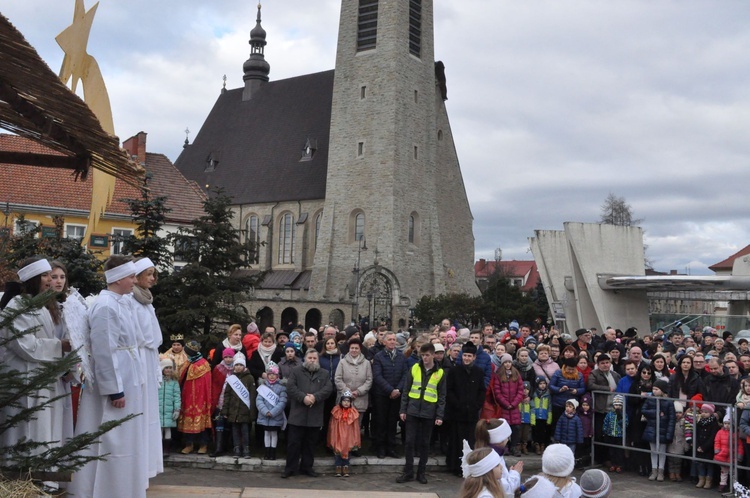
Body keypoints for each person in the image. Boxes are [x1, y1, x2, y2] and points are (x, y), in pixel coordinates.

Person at [68, 256, 147, 498]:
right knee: (110, 437)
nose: (135, 281)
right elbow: (103, 351)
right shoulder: (105, 306)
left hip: (128, 373)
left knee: (124, 438)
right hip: (115, 380)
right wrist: (115, 390)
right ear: (119, 278)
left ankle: (122, 488)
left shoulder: (121, 303)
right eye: (132, 276)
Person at [1, 257, 71, 492]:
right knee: (24, 431)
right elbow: (25, 345)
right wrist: (59, 346)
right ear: (32, 279)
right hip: (24, 380)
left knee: (43, 431)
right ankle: (20, 482)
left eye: (51, 275)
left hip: (41, 379)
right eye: (45, 276)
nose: (51, 280)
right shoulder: (17, 305)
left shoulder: (41, 305)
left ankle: (42, 481)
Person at [130, 257, 164, 479]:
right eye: (149, 274)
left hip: (149, 357)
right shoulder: (131, 301)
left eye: (154, 274)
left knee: (149, 414)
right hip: (139, 357)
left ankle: (147, 467)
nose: (152, 278)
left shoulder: (146, 301)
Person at [397, 342, 446, 485]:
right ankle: (408, 472)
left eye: (427, 355)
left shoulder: (440, 372)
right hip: (412, 410)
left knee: (425, 443)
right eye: (423, 355)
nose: (425, 358)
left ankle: (421, 472)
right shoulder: (414, 368)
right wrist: (403, 410)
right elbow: (406, 391)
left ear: (433, 355)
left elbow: (442, 396)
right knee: (409, 442)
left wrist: (439, 415)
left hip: (428, 412)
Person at [282, 348, 333, 478]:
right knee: (294, 443)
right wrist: (303, 398)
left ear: (318, 360)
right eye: (310, 358)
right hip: (297, 414)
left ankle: (307, 467)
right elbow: (290, 387)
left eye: (314, 358)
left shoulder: (324, 373)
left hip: (315, 414)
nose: (312, 360)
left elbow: (328, 388)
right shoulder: (296, 371)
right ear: (305, 359)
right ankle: (290, 468)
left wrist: (315, 397)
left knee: (310, 444)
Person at [445, 341, 487, 475]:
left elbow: (482, 391)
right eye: (465, 355)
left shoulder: (478, 372)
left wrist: (476, 405)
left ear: (474, 357)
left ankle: (468, 466)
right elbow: (449, 390)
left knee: (470, 441)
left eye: (470, 356)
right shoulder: (454, 371)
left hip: (472, 414)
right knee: (456, 441)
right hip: (457, 413)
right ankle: (455, 467)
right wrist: (457, 404)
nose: (467, 358)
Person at [371, 331, 408, 459]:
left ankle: (391, 447)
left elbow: (405, 375)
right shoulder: (379, 356)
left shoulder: (401, 356)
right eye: (390, 339)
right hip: (382, 395)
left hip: (396, 395)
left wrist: (398, 389)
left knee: (392, 422)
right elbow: (377, 376)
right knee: (381, 422)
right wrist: (389, 390)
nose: (392, 341)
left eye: (394, 339)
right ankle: (380, 447)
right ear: (384, 342)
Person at [178, 340, 213, 454]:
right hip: (187, 397)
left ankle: (203, 445)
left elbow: (206, 384)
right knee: (187, 422)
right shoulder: (188, 362)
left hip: (200, 399)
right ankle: (189, 444)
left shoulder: (203, 364)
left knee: (201, 423)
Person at [220, 353, 257, 458]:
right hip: (233, 410)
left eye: (240, 365)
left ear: (244, 366)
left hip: (245, 411)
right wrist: (225, 410)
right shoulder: (231, 378)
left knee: (245, 432)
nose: (238, 367)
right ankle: (236, 449)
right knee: (235, 432)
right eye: (236, 365)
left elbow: (252, 396)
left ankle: (246, 449)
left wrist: (252, 412)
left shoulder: (250, 378)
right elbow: (227, 395)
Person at [474, 418, 522, 496]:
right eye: (507, 437)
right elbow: (506, 490)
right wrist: (515, 474)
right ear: (500, 440)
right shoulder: (493, 459)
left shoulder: (486, 453)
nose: (508, 440)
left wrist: (509, 474)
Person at [641, 378, 675, 482]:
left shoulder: (668, 402)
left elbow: (671, 419)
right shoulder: (650, 399)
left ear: (662, 390)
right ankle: (654, 470)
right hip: (652, 429)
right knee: (653, 451)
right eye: (653, 389)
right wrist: (657, 412)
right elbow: (644, 410)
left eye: (656, 389)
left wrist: (669, 434)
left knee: (662, 451)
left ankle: (661, 471)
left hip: (663, 430)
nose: (654, 391)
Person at [256, 361, 287, 460]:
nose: (272, 376)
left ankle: (273, 452)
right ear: (267, 375)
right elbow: (259, 400)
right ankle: (267, 452)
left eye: (274, 374)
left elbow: (282, 401)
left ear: (277, 375)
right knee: (266, 433)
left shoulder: (282, 387)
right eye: (270, 374)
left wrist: (273, 412)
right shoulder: (263, 387)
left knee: (274, 434)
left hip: (276, 415)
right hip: (264, 415)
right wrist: (265, 411)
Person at [327, 390, 360, 477]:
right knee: (338, 452)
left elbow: (355, 427)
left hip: (349, 436)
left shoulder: (353, 413)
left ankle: (346, 467)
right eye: (344, 401)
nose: (346, 403)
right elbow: (333, 426)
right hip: (338, 436)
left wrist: (354, 438)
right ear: (341, 401)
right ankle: (338, 468)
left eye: (348, 401)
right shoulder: (336, 411)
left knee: (348, 452)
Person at [210, 347, 236, 456]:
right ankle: (218, 447)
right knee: (219, 423)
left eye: (230, 357)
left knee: (228, 425)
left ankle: (227, 446)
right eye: (226, 357)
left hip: (231, 402)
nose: (228, 359)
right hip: (220, 400)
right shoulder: (218, 368)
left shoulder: (237, 369)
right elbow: (214, 385)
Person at [714, 411, 744, 493]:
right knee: (723, 472)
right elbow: (717, 442)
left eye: (729, 423)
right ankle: (722, 484)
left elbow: (740, 446)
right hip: (723, 455)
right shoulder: (720, 432)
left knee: (733, 473)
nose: (726, 425)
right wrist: (717, 451)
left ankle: (734, 485)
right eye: (725, 423)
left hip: (733, 456)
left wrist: (739, 456)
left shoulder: (736, 434)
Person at [158, 358, 181, 455]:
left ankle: (166, 449)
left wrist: (177, 409)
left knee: (167, 429)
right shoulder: (158, 381)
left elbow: (177, 396)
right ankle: (159, 449)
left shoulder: (174, 382)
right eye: (166, 368)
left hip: (169, 410)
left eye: (170, 368)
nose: (169, 370)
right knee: (159, 429)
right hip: (158, 410)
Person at [694, 403, 719, 489]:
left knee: (709, 464)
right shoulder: (699, 422)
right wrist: (697, 446)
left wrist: (704, 447)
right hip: (699, 446)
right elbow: (696, 435)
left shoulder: (714, 424)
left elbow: (712, 438)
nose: (703, 413)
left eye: (706, 412)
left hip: (708, 448)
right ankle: (701, 478)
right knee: (700, 464)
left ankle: (709, 480)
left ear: (711, 413)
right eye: (702, 411)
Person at [601, 394, 626, 473]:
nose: (617, 407)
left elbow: (625, 424)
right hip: (611, 435)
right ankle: (612, 464)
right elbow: (605, 423)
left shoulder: (623, 414)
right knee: (611, 451)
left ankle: (619, 465)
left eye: (619, 405)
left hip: (619, 435)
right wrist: (605, 431)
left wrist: (620, 418)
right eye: (616, 405)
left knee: (619, 451)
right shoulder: (610, 414)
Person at [531, 376, 552, 455]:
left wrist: (549, 418)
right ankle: (537, 445)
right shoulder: (534, 394)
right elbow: (532, 407)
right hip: (536, 416)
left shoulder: (548, 394)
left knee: (543, 432)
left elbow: (549, 407)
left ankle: (542, 445)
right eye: (540, 384)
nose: (542, 385)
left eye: (544, 383)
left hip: (544, 416)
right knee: (536, 431)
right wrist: (532, 418)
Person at [666, 401, 686, 482]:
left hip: (680, 444)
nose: (677, 414)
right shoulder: (670, 421)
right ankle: (671, 473)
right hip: (671, 444)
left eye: (679, 412)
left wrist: (686, 446)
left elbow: (686, 434)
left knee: (678, 461)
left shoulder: (684, 422)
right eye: (676, 412)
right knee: (670, 461)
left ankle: (677, 473)